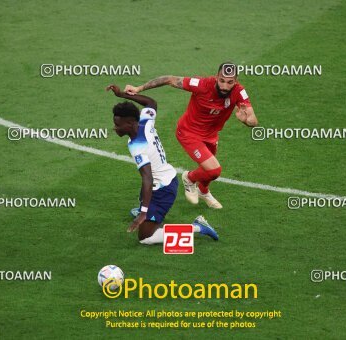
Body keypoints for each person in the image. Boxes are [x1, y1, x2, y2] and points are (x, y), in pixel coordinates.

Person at [124, 62, 258, 209]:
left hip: (211, 135)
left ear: (236, 81)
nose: (225, 86)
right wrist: (139, 88)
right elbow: (169, 79)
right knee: (214, 170)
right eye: (222, 81)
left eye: (230, 82)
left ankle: (203, 191)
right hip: (189, 133)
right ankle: (189, 178)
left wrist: (246, 120)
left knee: (208, 172)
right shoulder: (201, 84)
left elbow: (253, 120)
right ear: (217, 77)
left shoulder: (239, 92)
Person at [106, 84, 219, 244]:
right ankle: (145, 210)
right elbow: (151, 103)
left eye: (118, 125)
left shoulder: (138, 146)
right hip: (166, 175)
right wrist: (123, 95)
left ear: (131, 123)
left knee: (145, 238)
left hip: (163, 189)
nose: (115, 128)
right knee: (145, 196)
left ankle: (198, 227)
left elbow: (148, 179)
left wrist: (144, 213)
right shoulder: (145, 122)